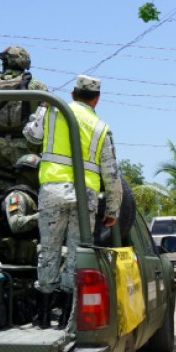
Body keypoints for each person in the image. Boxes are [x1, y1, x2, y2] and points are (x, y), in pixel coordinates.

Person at [24, 74, 122, 330]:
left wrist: (41, 109)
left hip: (52, 191)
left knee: (49, 251)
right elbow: (112, 174)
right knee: (76, 255)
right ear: (97, 99)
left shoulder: (53, 111)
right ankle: (67, 318)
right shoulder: (101, 127)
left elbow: (30, 136)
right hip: (84, 197)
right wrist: (112, 208)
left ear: (72, 94)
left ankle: (43, 316)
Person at [0, 45, 49, 187]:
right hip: (27, 145)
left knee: (1, 182)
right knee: (28, 184)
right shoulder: (37, 86)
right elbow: (47, 111)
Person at [0, 154, 41, 265]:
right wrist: (43, 216)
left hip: (34, 249)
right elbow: (16, 224)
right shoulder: (17, 196)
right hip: (22, 252)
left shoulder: (33, 196)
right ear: (27, 173)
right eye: (39, 171)